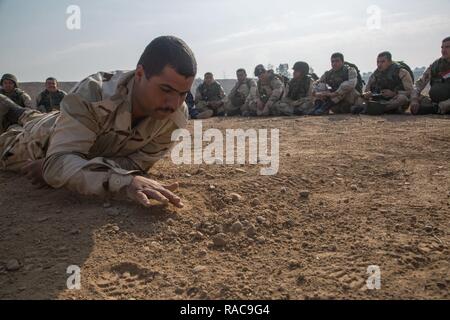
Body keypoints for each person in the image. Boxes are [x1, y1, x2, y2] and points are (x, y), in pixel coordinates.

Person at [0, 36, 197, 209]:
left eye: (183, 94)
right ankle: (15, 112)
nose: (174, 103)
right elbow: (57, 163)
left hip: (65, 125)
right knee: (12, 141)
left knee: (30, 116)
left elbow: (135, 163)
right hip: (41, 138)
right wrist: (123, 181)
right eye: (166, 89)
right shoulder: (94, 93)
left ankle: (20, 113)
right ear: (139, 74)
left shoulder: (176, 118)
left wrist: (73, 167)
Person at [410, 36, 450, 115]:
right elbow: (419, 83)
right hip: (435, 101)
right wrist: (414, 99)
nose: (443, 50)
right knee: (410, 96)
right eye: (442, 47)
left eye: (447, 47)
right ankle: (436, 108)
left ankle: (436, 109)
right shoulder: (436, 65)